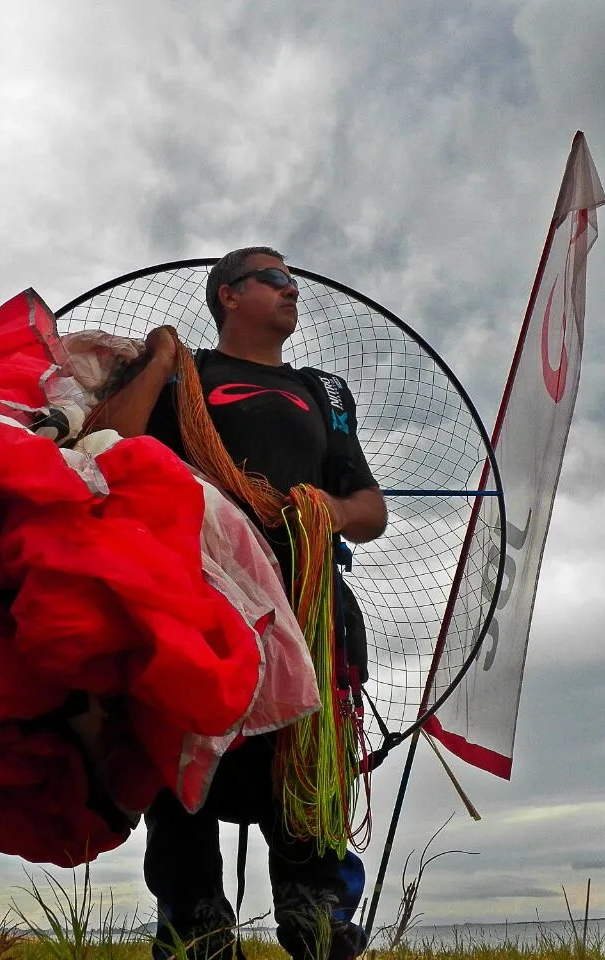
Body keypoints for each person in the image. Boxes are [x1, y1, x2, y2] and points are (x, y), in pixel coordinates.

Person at [112, 247, 387, 960]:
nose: (295, 290)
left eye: (295, 280)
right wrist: (158, 360)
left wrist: (323, 506)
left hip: (309, 608)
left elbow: (369, 508)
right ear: (229, 295)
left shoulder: (321, 391)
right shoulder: (186, 375)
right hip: (199, 598)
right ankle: (193, 920)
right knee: (185, 754)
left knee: (307, 761)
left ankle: (316, 913)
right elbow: (114, 442)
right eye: (278, 279)